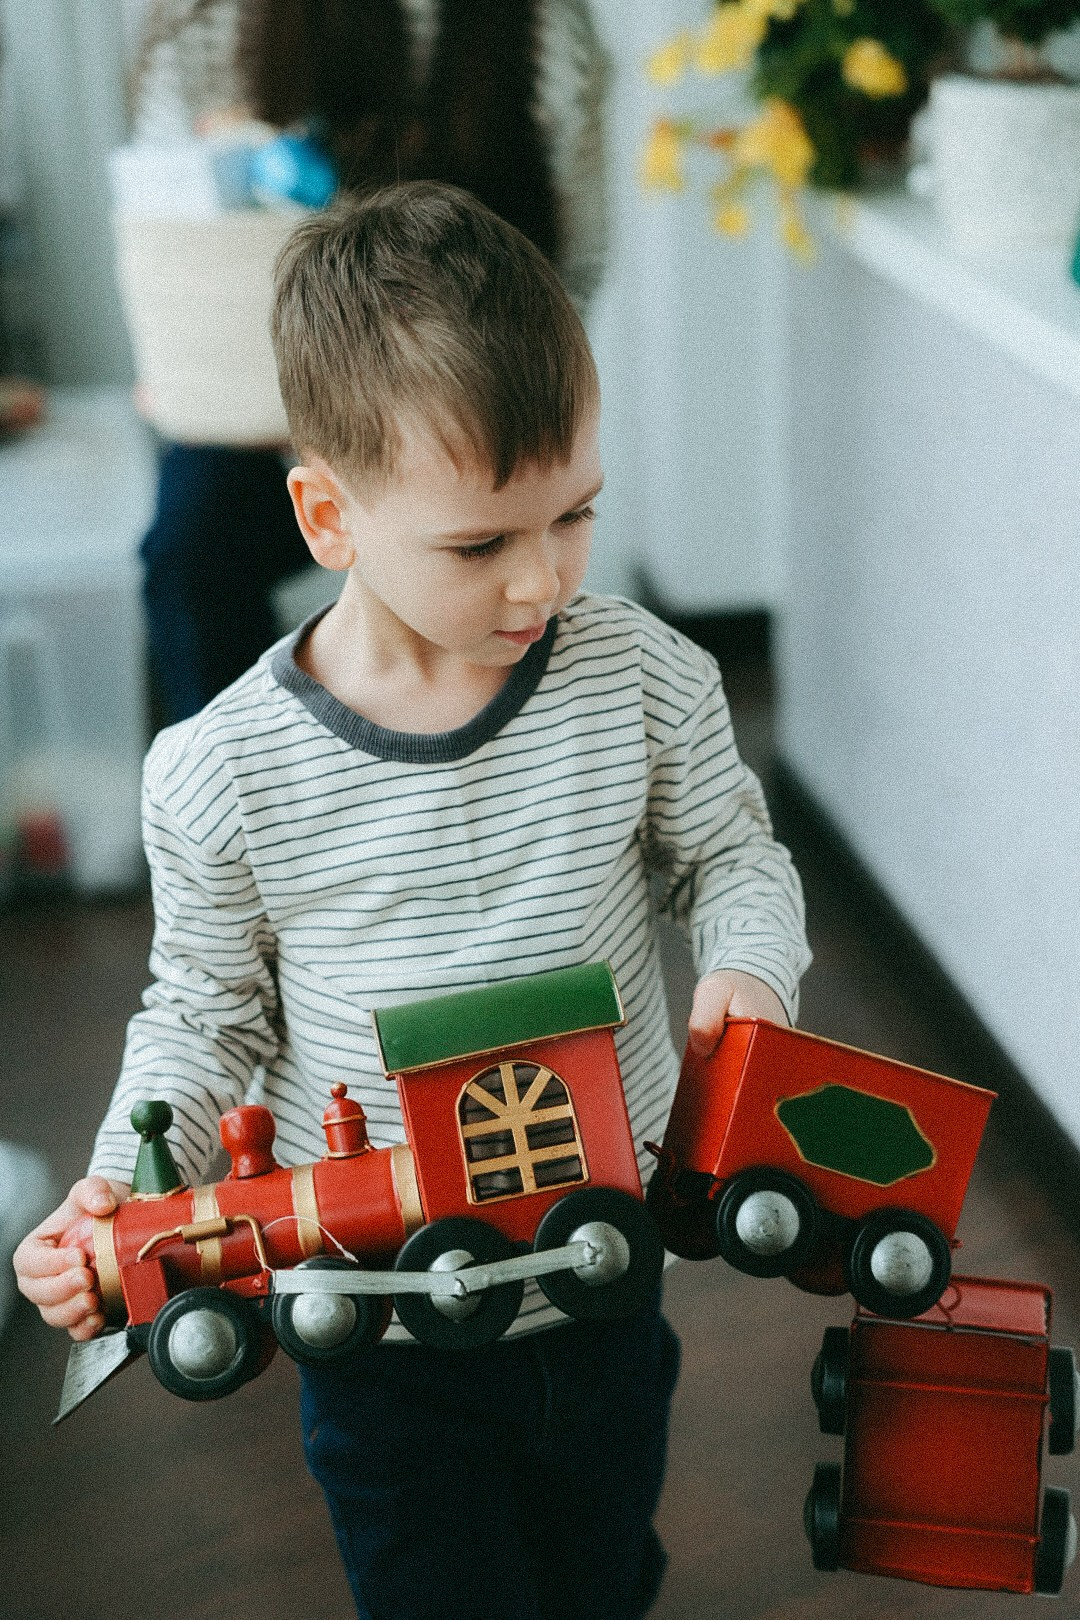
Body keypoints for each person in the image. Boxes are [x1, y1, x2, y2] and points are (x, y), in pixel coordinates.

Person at [16, 183, 810, 1619]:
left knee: (602, 1573)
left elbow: (734, 858)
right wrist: (126, 1188)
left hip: (602, 1277)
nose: (542, 582)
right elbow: (200, 1014)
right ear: (328, 514)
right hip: (381, 1321)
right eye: (479, 544)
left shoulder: (637, 680)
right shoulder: (220, 773)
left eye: (575, 516)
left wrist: (749, 965)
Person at [129, 0, 608, 721]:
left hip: (474, 396)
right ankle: (252, 769)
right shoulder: (208, 25)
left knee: (471, 555)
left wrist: (491, 394)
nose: (543, 583)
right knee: (190, 550)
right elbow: (169, 227)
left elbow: (575, 260)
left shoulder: (547, 32)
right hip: (268, 394)